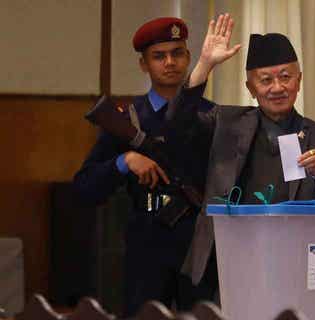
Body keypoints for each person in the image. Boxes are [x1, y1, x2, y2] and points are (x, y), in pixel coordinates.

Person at [177, 14, 315, 286]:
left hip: (296, 261)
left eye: (285, 77)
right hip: (227, 260)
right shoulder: (225, 123)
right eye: (265, 80)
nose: (277, 88)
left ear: (299, 81)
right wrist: (205, 65)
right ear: (251, 88)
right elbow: (177, 121)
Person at [73, 17, 218, 316]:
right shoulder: (127, 120)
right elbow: (84, 188)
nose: (170, 62)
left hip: (201, 241)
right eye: (159, 56)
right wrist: (124, 161)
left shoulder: (210, 116)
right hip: (147, 241)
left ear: (189, 58)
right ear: (144, 65)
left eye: (177, 53)